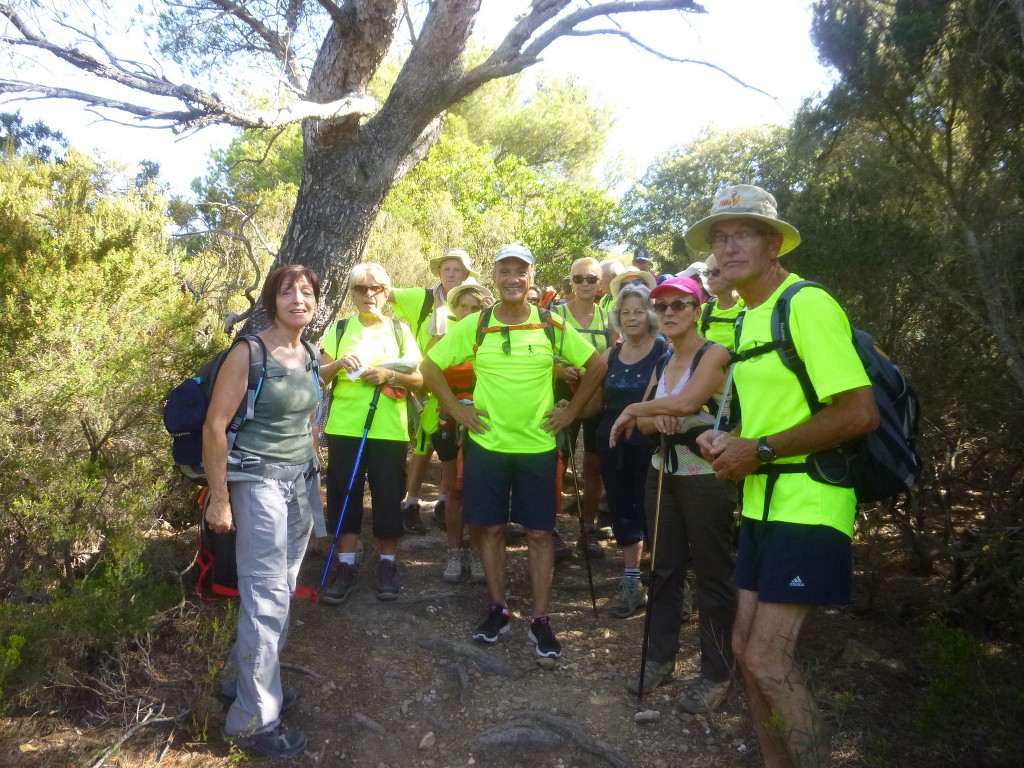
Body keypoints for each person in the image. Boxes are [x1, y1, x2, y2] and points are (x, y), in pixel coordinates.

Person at [690, 185, 879, 767]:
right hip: (762, 503)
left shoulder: (807, 304)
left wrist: (763, 449)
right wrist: (725, 440)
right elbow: (765, 416)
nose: (729, 246)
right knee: (747, 651)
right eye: (720, 237)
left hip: (811, 501)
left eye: (743, 233)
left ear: (774, 243)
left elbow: (858, 412)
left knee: (770, 657)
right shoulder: (747, 318)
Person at [421, 244, 607, 658]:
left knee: (540, 533)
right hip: (487, 446)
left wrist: (572, 412)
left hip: (538, 447)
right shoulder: (478, 324)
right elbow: (431, 366)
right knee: (488, 529)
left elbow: (596, 365)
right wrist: (455, 409)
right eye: (504, 271)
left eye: (519, 272)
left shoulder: (550, 323)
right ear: (494, 277)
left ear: (531, 278)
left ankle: (540, 619)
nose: (512, 279)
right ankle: (498, 608)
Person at [204, 265, 324, 759]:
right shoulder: (249, 352)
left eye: (307, 291)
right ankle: (251, 720)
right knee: (267, 595)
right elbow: (215, 426)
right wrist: (219, 498)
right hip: (257, 483)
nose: (298, 297)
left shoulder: (310, 353)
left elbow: (309, 420)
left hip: (299, 484)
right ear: (272, 300)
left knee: (277, 588)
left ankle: (243, 680)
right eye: (287, 290)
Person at [608, 274, 738, 713]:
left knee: (711, 573)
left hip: (705, 480)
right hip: (662, 474)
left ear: (697, 309)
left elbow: (685, 404)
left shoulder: (713, 353)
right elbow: (648, 423)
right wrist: (651, 417)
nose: (668, 313)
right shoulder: (664, 360)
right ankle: (661, 659)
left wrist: (636, 410)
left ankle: (718, 672)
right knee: (663, 569)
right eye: (662, 306)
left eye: (679, 305)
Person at [320, 263, 423, 604]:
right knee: (344, 494)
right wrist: (337, 365)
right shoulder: (339, 330)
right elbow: (319, 377)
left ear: (386, 292)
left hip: (389, 431)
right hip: (344, 428)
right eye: (361, 288)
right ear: (352, 293)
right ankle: (346, 565)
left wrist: (387, 376)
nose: (369, 294)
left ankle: (388, 563)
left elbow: (420, 380)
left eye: (376, 288)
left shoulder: (400, 331)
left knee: (387, 495)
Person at [588, 282, 665, 617]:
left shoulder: (665, 351)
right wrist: (567, 409)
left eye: (638, 311)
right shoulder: (611, 354)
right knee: (622, 510)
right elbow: (596, 403)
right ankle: (632, 586)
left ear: (650, 315)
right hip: (613, 443)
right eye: (625, 312)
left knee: (656, 513)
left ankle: (673, 588)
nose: (631, 317)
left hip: (650, 444)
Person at [391, 248, 478, 534]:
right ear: (439, 272)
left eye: (457, 270)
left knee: (452, 446)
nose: (451, 274)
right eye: (446, 269)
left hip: (465, 386)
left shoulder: (472, 303)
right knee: (424, 444)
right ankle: (411, 503)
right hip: (425, 382)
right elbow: (384, 294)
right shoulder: (424, 300)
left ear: (466, 274)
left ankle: (444, 502)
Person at [551, 256, 615, 559]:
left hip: (596, 395)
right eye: (579, 279)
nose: (585, 284)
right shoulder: (556, 313)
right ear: (570, 283)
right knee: (555, 459)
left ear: (600, 283)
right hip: (561, 390)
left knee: (594, 463)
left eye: (591, 279)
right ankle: (549, 528)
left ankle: (587, 530)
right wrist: (559, 370)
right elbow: (540, 353)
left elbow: (615, 354)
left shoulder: (607, 318)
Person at [431, 279, 493, 583]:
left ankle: (480, 552)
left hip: (484, 420)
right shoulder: (447, 338)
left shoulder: (492, 338)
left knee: (480, 489)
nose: (470, 312)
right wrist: (450, 404)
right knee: (454, 490)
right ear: (455, 309)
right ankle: (454, 552)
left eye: (476, 307)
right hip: (449, 421)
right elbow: (428, 372)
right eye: (464, 307)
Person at [698, 253, 743, 350]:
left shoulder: (748, 307)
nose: (709, 277)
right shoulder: (704, 310)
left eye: (715, 272)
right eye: (707, 272)